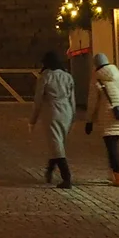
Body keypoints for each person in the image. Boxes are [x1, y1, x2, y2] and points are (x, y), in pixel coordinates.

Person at [84, 52, 119, 186]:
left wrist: (89, 120)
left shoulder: (96, 78)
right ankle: (113, 174)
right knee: (113, 146)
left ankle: (118, 176)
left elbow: (92, 102)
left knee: (112, 148)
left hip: (107, 117)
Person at [29, 50, 77, 187]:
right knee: (58, 142)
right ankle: (49, 170)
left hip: (52, 111)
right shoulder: (68, 76)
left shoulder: (45, 76)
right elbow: (72, 99)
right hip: (66, 110)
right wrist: (73, 116)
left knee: (55, 143)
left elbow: (38, 100)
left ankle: (66, 177)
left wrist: (33, 119)